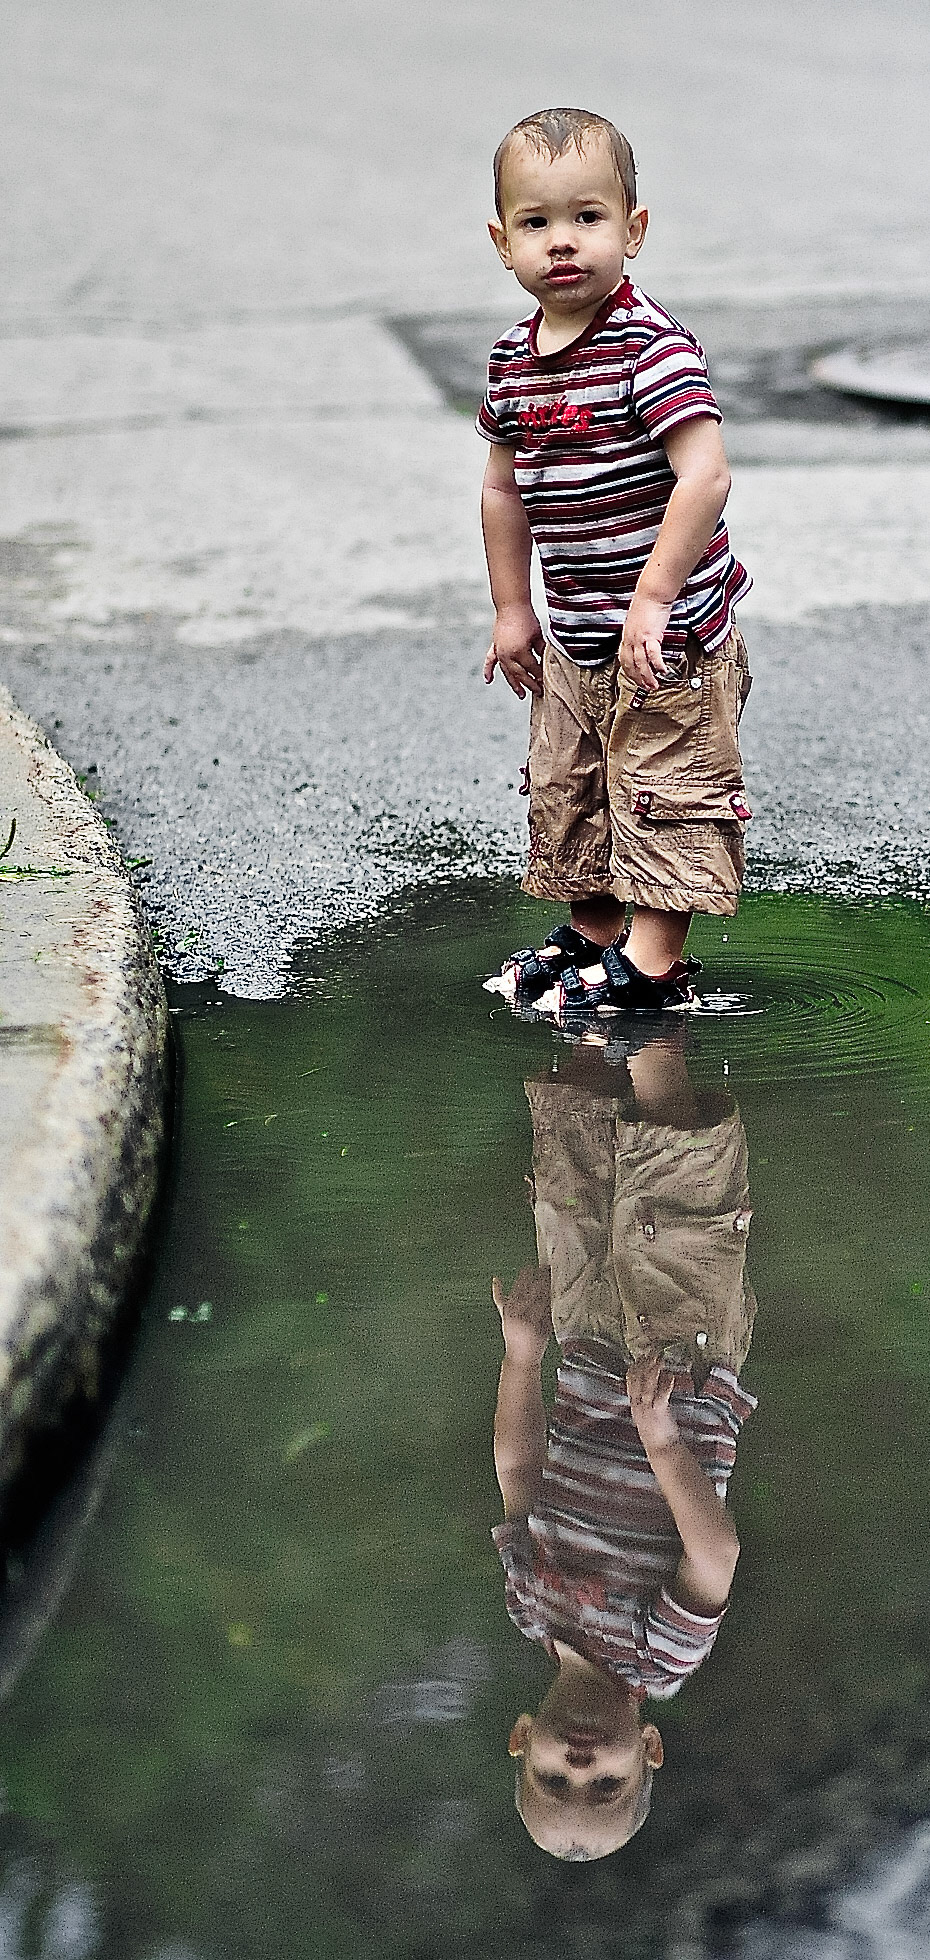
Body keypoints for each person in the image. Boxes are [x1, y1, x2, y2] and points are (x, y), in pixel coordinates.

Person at [478, 107, 753, 1016]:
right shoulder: (513, 361)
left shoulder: (650, 345)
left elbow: (704, 473)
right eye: (537, 222)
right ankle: (596, 930)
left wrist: (655, 597)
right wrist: (514, 609)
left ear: (632, 229)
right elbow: (503, 489)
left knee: (665, 784)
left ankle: (655, 959)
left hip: (671, 634)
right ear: (501, 241)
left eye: (588, 217)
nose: (563, 242)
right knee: (576, 780)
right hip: (577, 629)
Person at [491, 1032, 757, 1857]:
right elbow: (715, 1555)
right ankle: (649, 1004)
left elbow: (519, 1471)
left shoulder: (528, 1607)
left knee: (572, 1146)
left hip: (583, 1341)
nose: (579, 1764)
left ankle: (592, 985)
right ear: (648, 1752)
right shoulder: (660, 1657)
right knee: (672, 1171)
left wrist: (522, 1360)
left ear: (521, 1738)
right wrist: (663, 1440)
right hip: (680, 1356)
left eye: (552, 1778)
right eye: (606, 1782)